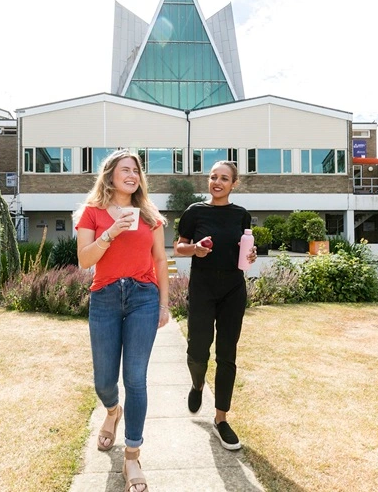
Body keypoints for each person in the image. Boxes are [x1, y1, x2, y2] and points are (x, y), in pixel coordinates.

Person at [74, 149, 169, 492]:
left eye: (136, 171)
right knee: (103, 381)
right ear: (110, 174)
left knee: (136, 379)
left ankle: (132, 453)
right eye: (125, 169)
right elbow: (85, 260)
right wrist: (111, 231)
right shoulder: (92, 213)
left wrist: (163, 304)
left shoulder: (149, 214)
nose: (132, 175)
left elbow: (160, 261)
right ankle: (112, 411)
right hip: (106, 298)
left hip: (143, 298)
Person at [174, 160, 257, 451]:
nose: (217, 182)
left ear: (234, 183)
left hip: (233, 288)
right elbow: (179, 246)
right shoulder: (195, 212)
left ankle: (221, 418)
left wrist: (251, 255)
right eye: (213, 177)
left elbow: (245, 250)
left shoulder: (241, 215)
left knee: (227, 353)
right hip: (203, 287)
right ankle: (197, 384)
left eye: (224, 178)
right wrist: (195, 249)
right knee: (198, 349)